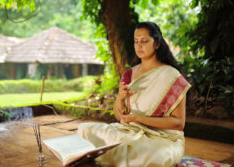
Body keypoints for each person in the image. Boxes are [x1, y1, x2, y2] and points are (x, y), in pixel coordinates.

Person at [77, 21, 191, 167]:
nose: (139, 46)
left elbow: (178, 124)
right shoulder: (129, 74)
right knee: (85, 129)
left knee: (145, 154)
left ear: (157, 44)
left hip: (163, 138)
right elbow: (120, 117)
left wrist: (139, 118)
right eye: (136, 42)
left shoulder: (172, 76)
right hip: (129, 131)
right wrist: (121, 98)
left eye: (144, 41)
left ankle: (111, 158)